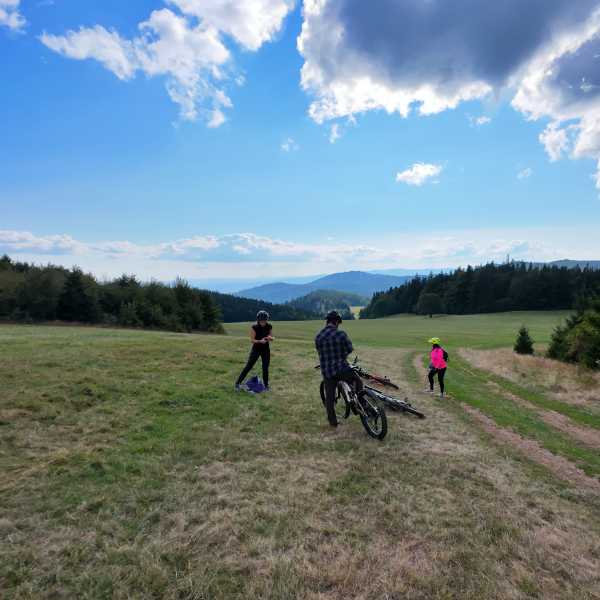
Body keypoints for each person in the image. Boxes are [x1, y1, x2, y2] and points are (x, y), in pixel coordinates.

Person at [315, 310, 363, 427]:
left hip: (327, 372)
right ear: (336, 322)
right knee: (358, 382)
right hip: (342, 369)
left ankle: (333, 423)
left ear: (327, 322)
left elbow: (320, 352)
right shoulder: (341, 334)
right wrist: (342, 355)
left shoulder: (318, 337)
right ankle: (361, 405)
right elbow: (350, 349)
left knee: (330, 399)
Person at [235, 310, 273, 391]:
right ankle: (237, 383)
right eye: (262, 321)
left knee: (265, 368)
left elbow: (270, 335)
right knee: (249, 366)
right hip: (256, 349)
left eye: (265, 320)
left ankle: (266, 386)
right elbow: (252, 340)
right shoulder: (254, 327)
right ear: (258, 320)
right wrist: (260, 341)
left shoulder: (269, 326)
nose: (263, 322)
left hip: (266, 349)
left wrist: (270, 338)